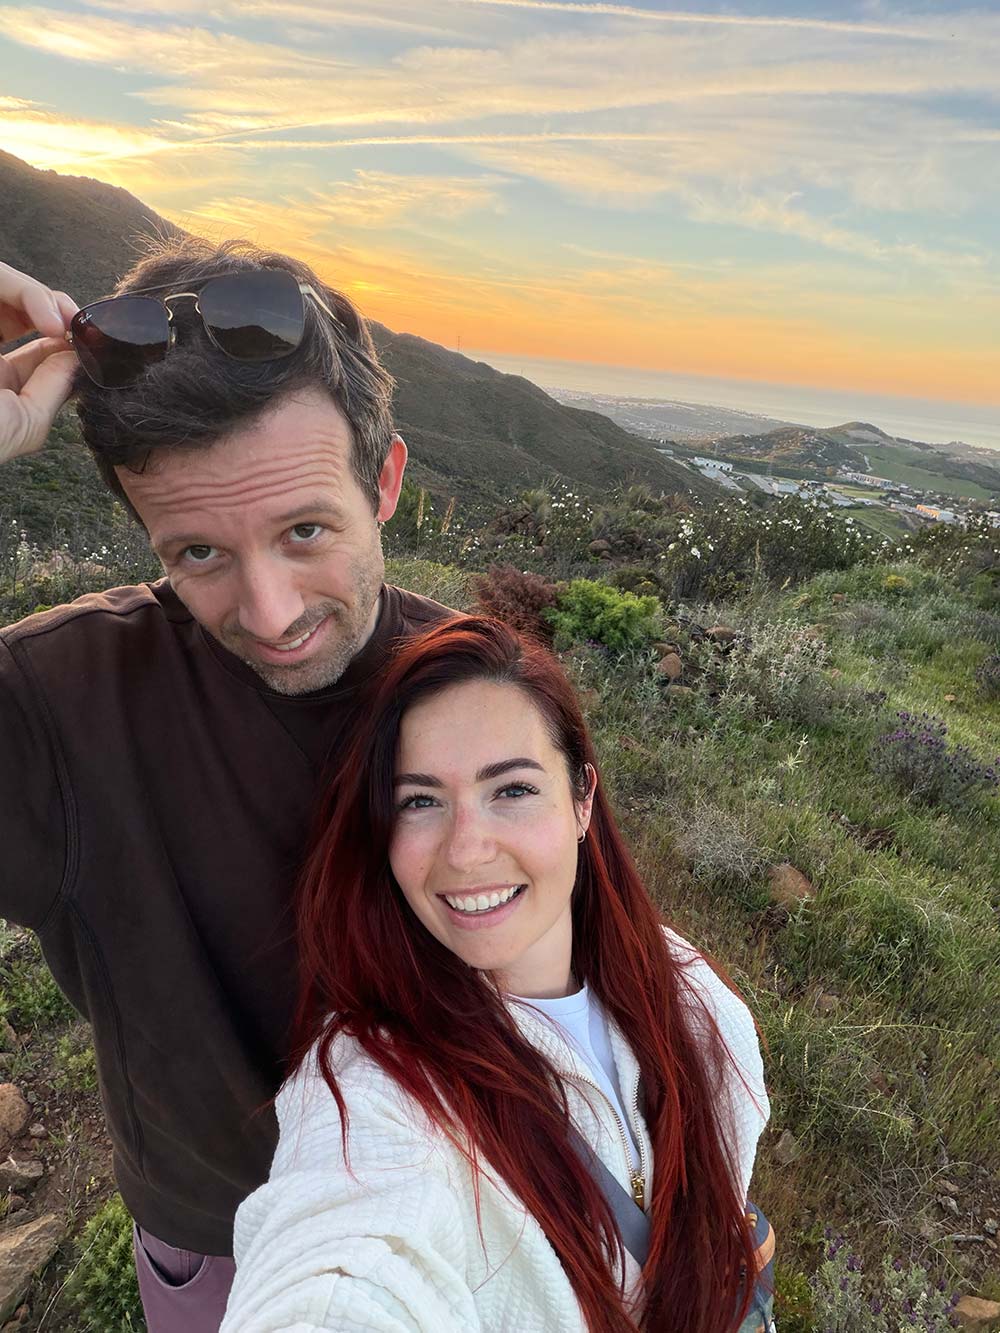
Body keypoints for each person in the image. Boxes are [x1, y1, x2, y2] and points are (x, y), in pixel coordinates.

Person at [0, 241, 452, 1331]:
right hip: (224, 1252)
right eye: (197, 553)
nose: (269, 611)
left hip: (463, 1224)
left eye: (306, 531)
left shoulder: (483, 692)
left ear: (385, 482)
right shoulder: (58, 704)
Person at [220, 615, 774, 1333]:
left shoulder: (692, 994)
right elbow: (342, 1270)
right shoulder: (375, 1086)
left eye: (511, 790)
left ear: (582, 799)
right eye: (420, 800)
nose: (466, 851)